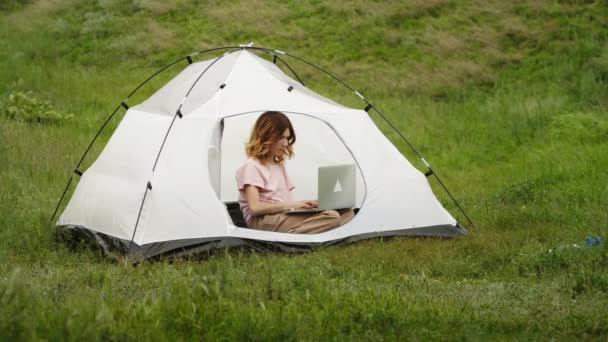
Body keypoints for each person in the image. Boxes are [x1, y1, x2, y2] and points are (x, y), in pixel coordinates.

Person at [235, 111, 354, 234]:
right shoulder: (251, 166)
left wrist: (307, 204)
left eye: (287, 138)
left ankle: (309, 232)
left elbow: (283, 201)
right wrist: (295, 205)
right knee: (332, 217)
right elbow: (255, 208)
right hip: (262, 221)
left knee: (347, 213)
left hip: (282, 216)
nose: (286, 143)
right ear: (266, 135)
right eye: (281, 137)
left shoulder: (278, 165)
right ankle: (293, 239)